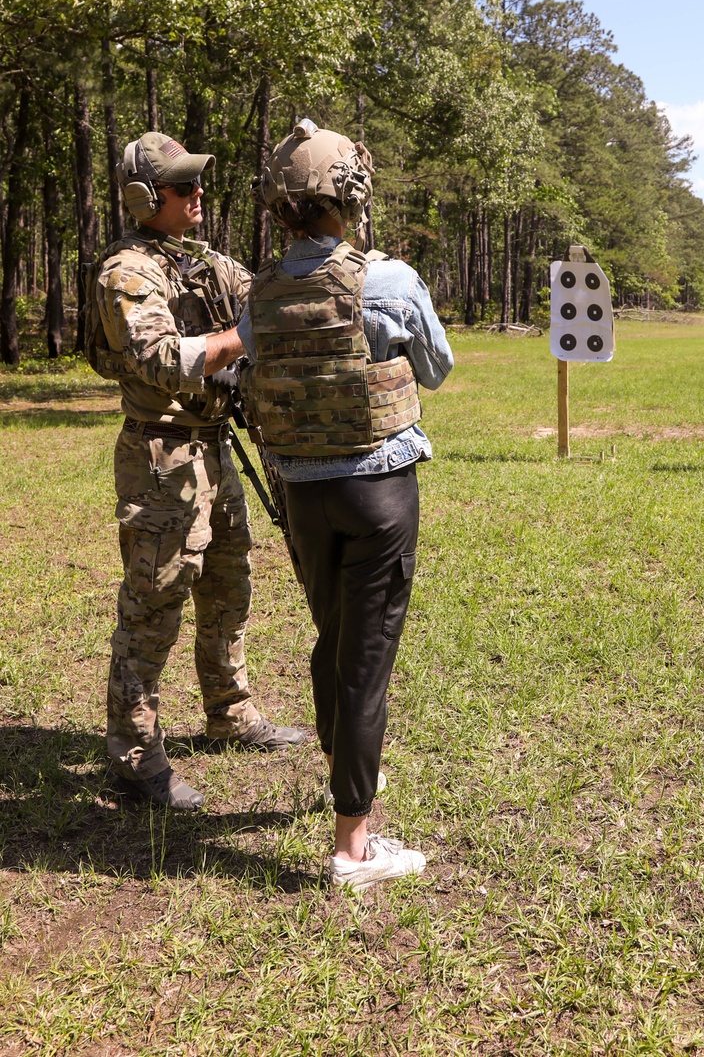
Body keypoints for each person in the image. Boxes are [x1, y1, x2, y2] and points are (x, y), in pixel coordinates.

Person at [238, 118, 453, 888]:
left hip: (302, 493)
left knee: (334, 639)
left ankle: (347, 769)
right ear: (352, 195)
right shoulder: (386, 278)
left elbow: (254, 364)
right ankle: (355, 847)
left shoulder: (259, 291)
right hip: (378, 491)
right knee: (366, 662)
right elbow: (436, 367)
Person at [89, 132, 307, 811]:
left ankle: (230, 710)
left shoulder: (202, 261)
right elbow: (159, 359)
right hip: (163, 457)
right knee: (154, 601)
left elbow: (263, 290)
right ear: (143, 198)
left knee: (228, 583)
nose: (198, 194)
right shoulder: (126, 272)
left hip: (212, 446)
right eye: (184, 186)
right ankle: (133, 754)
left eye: (197, 183)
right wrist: (248, 335)